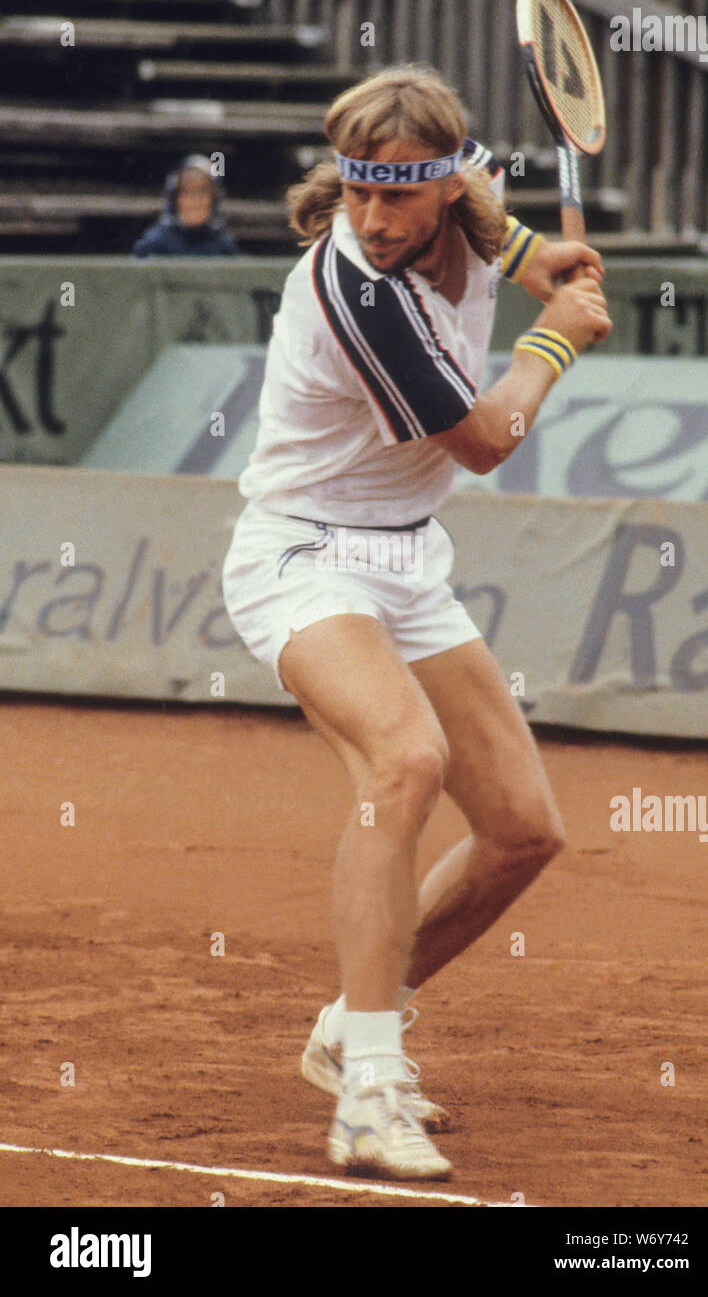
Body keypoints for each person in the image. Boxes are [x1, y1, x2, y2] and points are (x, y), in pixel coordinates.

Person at [221, 65, 611, 1181]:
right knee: (403, 763)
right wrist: (555, 342)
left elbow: (523, 248)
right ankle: (371, 1087)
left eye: (398, 197)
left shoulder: (471, 204)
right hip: (300, 552)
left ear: (448, 182)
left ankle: (349, 1022)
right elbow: (485, 440)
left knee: (523, 829)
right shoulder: (357, 290)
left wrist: (551, 267)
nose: (376, 221)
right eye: (358, 195)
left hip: (404, 561)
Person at [132, 154, 239, 257]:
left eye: (203, 191)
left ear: (214, 199)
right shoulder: (154, 242)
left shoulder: (224, 244)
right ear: (175, 198)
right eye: (187, 191)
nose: (195, 200)